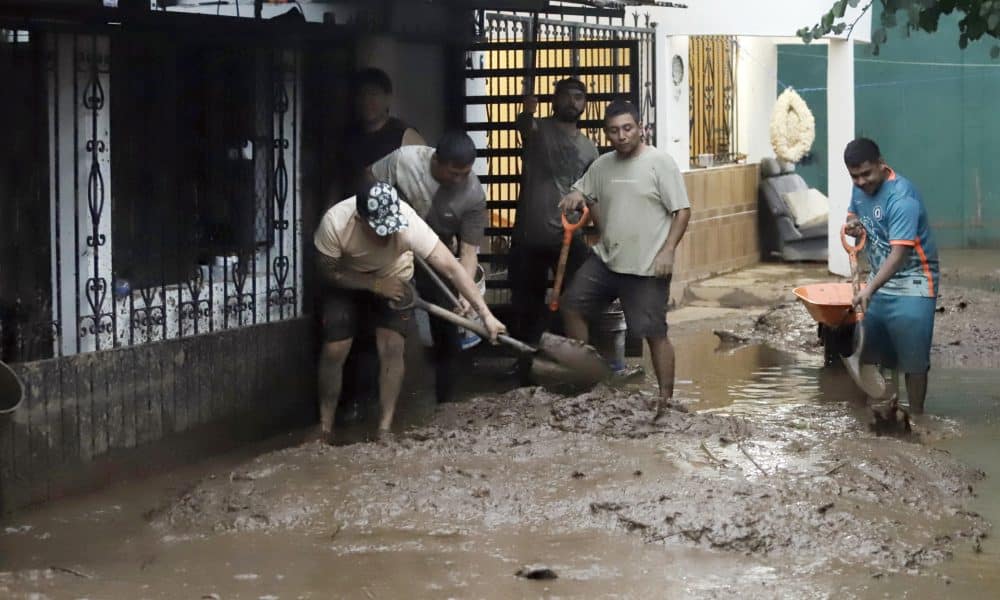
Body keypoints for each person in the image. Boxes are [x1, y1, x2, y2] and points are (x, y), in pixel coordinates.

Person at [314, 182, 505, 442]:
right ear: (360, 219)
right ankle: (324, 427)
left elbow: (451, 267)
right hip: (348, 279)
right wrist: (374, 285)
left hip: (395, 276)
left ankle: (384, 428)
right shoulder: (335, 223)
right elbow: (328, 272)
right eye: (380, 230)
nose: (387, 236)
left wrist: (486, 315)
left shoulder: (408, 222)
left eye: (391, 229)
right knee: (336, 347)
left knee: (392, 346)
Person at [558, 99, 691, 420]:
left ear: (640, 128)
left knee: (653, 332)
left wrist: (668, 250)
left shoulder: (661, 163)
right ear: (607, 134)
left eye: (627, 128)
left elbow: (682, 211)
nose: (621, 136)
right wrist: (575, 195)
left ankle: (666, 401)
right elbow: (583, 192)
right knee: (571, 305)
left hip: (646, 266)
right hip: (607, 260)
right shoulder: (603, 165)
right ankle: (588, 381)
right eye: (614, 131)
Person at [366, 131, 487, 403]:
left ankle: (448, 402)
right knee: (380, 317)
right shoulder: (403, 162)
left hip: (438, 253)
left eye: (465, 173)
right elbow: (367, 183)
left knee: (447, 325)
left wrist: (463, 291)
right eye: (454, 173)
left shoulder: (474, 194)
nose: (459, 180)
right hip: (392, 245)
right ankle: (367, 399)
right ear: (437, 160)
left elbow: (468, 252)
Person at [337, 67, 426, 424]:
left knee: (392, 327)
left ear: (388, 99)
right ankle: (356, 400)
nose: (367, 102)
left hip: (395, 237)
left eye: (374, 95)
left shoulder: (405, 137)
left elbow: (422, 187)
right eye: (362, 95)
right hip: (354, 238)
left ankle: (402, 403)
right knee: (355, 323)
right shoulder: (347, 138)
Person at [509, 78, 599, 382]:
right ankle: (524, 366)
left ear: (585, 104)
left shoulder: (589, 148)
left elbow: (593, 193)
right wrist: (526, 110)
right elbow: (523, 127)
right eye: (566, 96)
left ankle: (570, 363)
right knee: (526, 305)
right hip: (529, 236)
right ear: (554, 100)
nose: (572, 102)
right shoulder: (538, 131)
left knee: (575, 302)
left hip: (569, 237)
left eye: (578, 97)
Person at [843, 138, 939, 414]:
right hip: (879, 280)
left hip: (915, 283)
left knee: (913, 360)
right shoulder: (859, 189)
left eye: (866, 174)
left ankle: (918, 416)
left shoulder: (902, 198)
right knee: (879, 354)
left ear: (881, 164)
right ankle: (890, 410)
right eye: (854, 176)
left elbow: (898, 255)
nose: (861, 181)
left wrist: (869, 288)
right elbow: (854, 216)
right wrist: (853, 227)